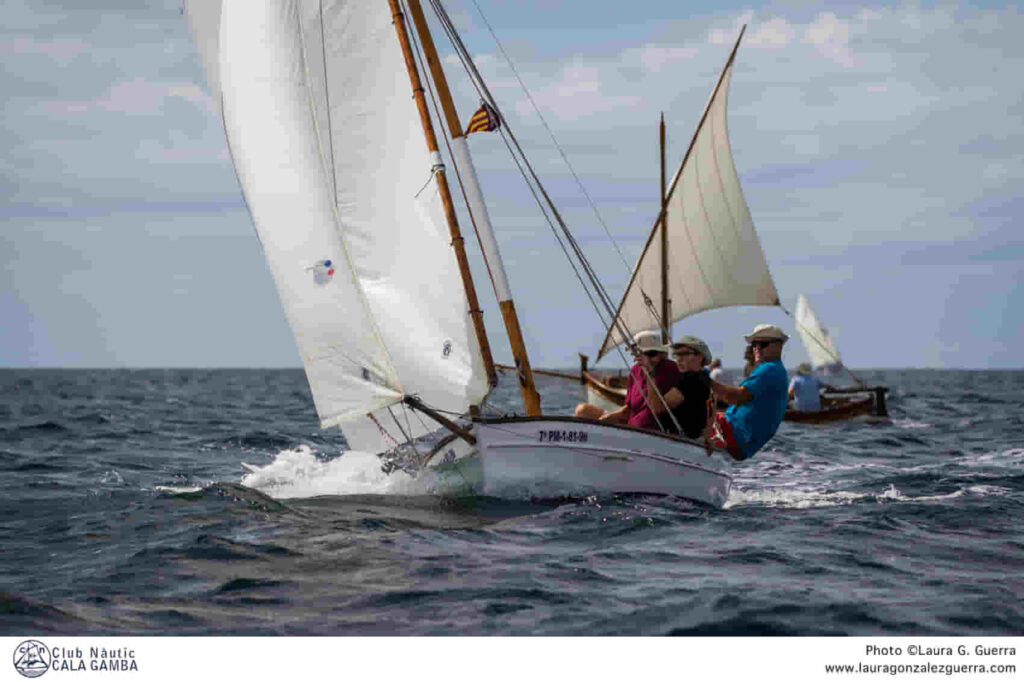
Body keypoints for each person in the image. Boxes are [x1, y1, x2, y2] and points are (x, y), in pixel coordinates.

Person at [707, 324, 790, 460]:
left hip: (733, 435)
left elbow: (737, 398)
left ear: (779, 346)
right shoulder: (772, 369)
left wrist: (705, 381)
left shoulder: (769, 369)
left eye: (762, 344)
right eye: (754, 344)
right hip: (737, 438)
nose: (756, 349)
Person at [574, 330, 680, 430]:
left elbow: (656, 409)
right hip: (629, 427)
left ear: (662, 354)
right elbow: (627, 410)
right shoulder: (635, 371)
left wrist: (650, 372)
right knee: (582, 410)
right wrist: (602, 421)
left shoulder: (669, 368)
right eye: (642, 354)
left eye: (651, 354)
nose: (647, 359)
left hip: (650, 432)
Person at [646, 335, 714, 439]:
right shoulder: (704, 378)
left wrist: (649, 373)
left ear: (700, 357)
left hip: (680, 441)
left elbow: (658, 408)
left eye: (685, 354)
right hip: (689, 441)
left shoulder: (691, 379)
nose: (679, 359)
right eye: (676, 355)